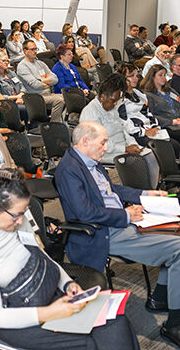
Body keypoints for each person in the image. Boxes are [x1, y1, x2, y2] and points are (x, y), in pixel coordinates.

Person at [0, 168, 139, 350]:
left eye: (23, 212)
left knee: (116, 323)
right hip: (19, 318)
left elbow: (42, 257)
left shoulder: (17, 220)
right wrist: (49, 313)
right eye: (16, 215)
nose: (20, 220)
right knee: (88, 344)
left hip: (48, 296)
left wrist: (67, 284)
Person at [55, 121, 180, 346]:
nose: (106, 147)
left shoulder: (89, 162)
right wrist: (126, 216)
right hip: (103, 232)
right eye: (102, 143)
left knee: (174, 235)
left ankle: (161, 298)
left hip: (120, 223)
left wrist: (146, 194)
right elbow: (84, 212)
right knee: (178, 249)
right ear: (85, 141)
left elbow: (113, 191)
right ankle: (174, 324)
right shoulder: (69, 169)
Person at [80, 74, 159, 186]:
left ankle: (149, 190)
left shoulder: (111, 107)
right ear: (102, 97)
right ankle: (142, 191)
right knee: (141, 163)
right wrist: (125, 149)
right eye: (113, 101)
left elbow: (123, 130)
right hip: (104, 153)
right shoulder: (90, 113)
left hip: (121, 148)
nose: (115, 104)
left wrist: (132, 143)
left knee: (150, 155)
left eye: (117, 101)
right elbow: (98, 143)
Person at [117, 63, 180, 157]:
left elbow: (148, 114)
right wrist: (144, 132)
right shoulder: (119, 98)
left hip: (150, 128)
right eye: (131, 76)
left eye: (136, 75)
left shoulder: (139, 94)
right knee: (173, 146)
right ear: (122, 78)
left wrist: (154, 126)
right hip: (136, 133)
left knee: (175, 145)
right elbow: (124, 122)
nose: (135, 78)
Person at [17, 40, 65, 122]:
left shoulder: (40, 63)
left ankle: (58, 122)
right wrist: (48, 82)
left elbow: (55, 79)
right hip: (34, 96)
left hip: (47, 94)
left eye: (36, 49)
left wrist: (43, 80)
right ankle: (55, 124)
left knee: (67, 98)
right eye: (32, 49)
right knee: (60, 100)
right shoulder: (22, 66)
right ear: (25, 51)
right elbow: (35, 84)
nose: (35, 51)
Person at [141, 64, 180, 134]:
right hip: (166, 126)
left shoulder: (170, 91)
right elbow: (150, 116)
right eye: (160, 75)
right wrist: (172, 121)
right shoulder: (148, 95)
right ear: (152, 77)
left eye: (164, 75)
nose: (163, 78)